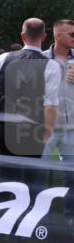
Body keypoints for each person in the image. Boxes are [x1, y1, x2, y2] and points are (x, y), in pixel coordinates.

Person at [0, 18, 61, 158]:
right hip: (33, 127)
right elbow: (50, 105)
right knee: (30, 175)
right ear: (44, 36)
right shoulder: (51, 65)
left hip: (5, 125)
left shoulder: (3, 58)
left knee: (5, 175)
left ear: (22, 36)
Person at [41, 19, 74, 161]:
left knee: (71, 176)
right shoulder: (41, 58)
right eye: (72, 34)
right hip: (45, 127)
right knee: (38, 173)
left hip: (72, 129)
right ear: (58, 36)